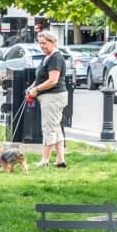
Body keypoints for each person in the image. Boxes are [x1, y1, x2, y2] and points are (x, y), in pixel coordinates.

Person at [29, 30, 68, 168]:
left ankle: (45, 160)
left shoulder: (55, 58)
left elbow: (53, 81)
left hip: (53, 97)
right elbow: (41, 77)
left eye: (44, 43)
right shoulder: (48, 57)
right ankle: (60, 160)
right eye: (40, 43)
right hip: (50, 97)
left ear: (53, 42)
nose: (42, 46)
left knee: (48, 128)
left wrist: (37, 90)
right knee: (56, 128)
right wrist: (32, 87)